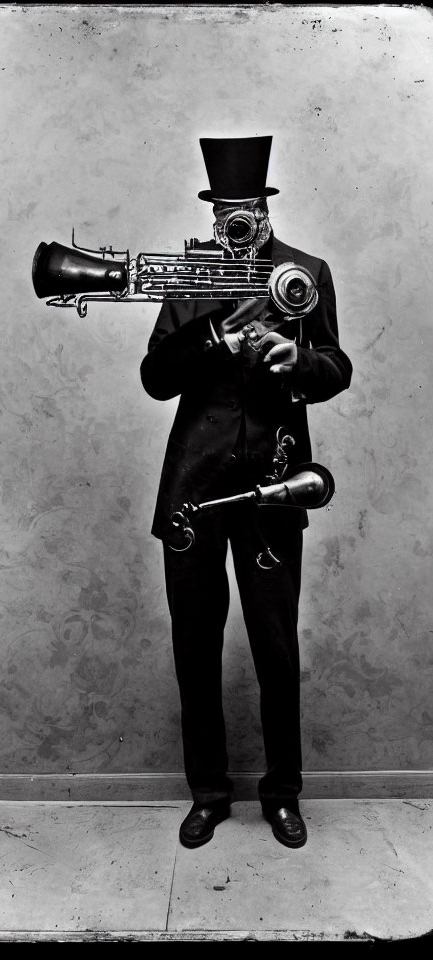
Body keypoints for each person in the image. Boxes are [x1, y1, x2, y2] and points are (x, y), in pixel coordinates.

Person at [140, 136, 352, 849]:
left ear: (264, 208)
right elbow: (155, 378)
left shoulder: (305, 273)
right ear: (213, 212)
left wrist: (299, 361)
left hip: (275, 486)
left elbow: (338, 367)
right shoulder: (188, 276)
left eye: (247, 209)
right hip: (193, 492)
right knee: (194, 647)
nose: (237, 221)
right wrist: (212, 338)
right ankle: (208, 794)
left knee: (275, 646)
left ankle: (283, 795)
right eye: (225, 210)